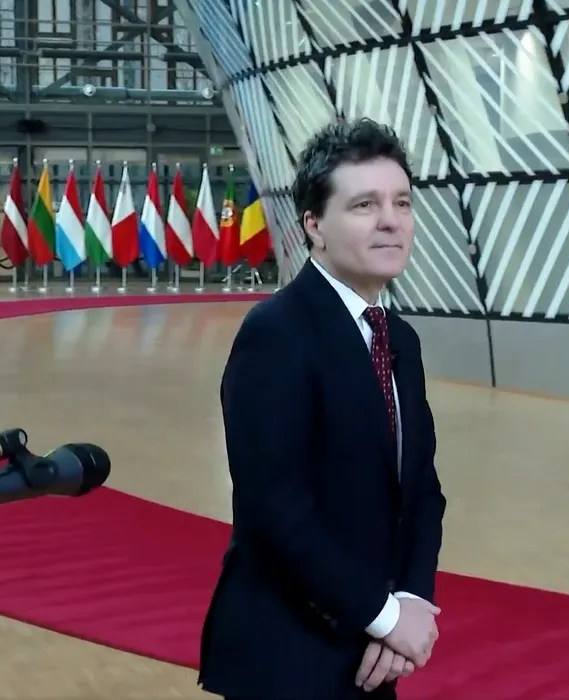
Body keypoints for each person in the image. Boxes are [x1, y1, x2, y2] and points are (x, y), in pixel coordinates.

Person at [198, 118, 447, 700]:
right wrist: (385, 617)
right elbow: (275, 510)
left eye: (401, 202)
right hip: (288, 656)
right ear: (314, 225)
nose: (391, 220)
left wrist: (411, 601)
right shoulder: (277, 333)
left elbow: (422, 490)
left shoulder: (399, 339)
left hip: (372, 651)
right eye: (364, 205)